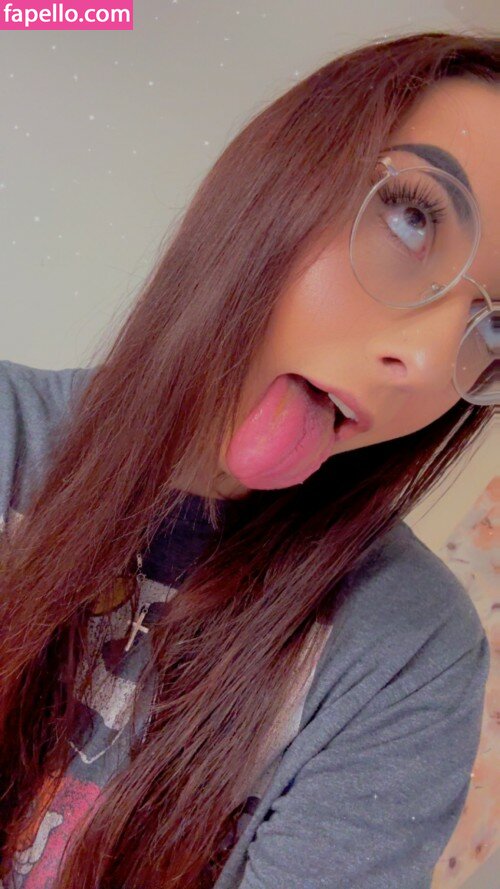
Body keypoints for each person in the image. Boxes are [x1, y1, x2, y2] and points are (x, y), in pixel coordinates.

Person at [0, 30, 498, 889]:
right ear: (279, 178)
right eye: (412, 218)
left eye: (494, 327)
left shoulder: (411, 650)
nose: (426, 363)